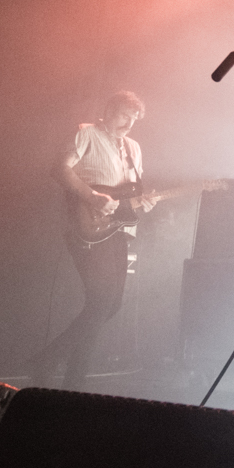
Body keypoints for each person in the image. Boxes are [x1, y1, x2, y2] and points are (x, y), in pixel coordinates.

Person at [31, 90, 154, 388]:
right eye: (125, 115)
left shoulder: (134, 148)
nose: (129, 124)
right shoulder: (86, 133)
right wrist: (92, 196)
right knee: (101, 302)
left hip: (118, 230)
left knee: (110, 305)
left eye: (134, 119)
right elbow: (59, 168)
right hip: (86, 226)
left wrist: (145, 202)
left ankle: (67, 374)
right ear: (110, 110)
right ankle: (57, 366)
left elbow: (130, 194)